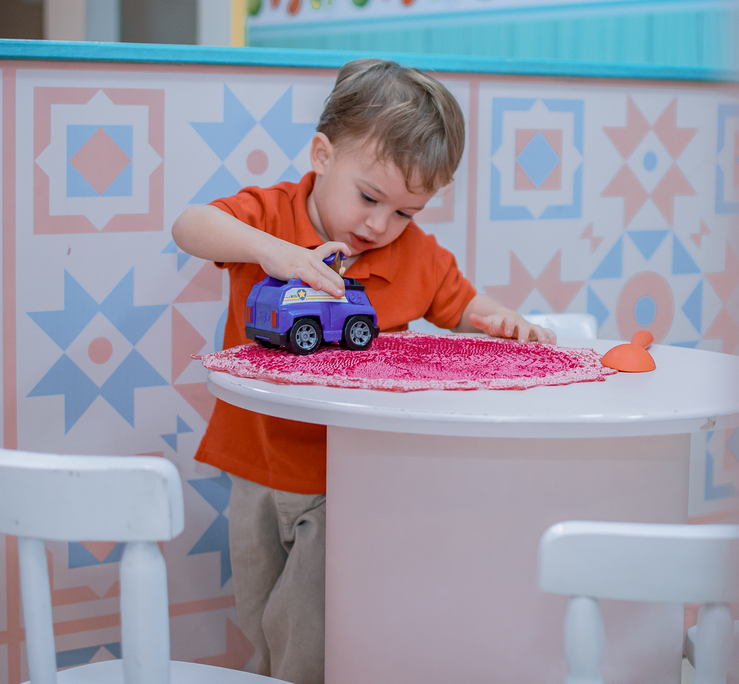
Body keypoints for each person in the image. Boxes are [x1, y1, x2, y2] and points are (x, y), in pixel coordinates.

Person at [171, 58, 555, 684]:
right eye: (370, 197)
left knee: (311, 635)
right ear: (322, 155)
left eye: (406, 212)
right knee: (263, 619)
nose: (381, 225)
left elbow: (464, 305)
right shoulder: (269, 217)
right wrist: (275, 252)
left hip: (351, 476)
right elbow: (190, 226)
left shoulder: (414, 255)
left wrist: (502, 318)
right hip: (255, 465)